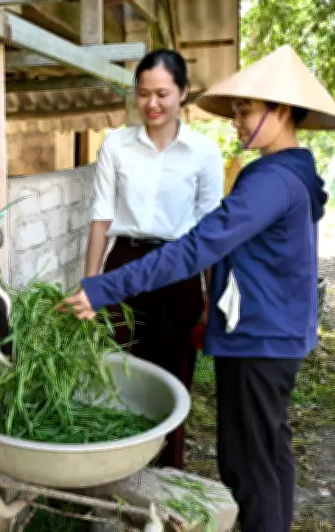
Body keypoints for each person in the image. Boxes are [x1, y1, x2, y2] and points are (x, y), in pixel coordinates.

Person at [61, 45, 335, 532]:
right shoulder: (293, 172)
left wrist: (106, 287)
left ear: (280, 111)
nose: (236, 121)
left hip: (260, 336)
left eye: (246, 110)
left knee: (246, 464)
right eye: (235, 109)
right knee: (269, 453)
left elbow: (197, 248)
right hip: (275, 332)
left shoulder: (271, 182)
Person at [83, 49, 224, 470]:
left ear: (183, 93)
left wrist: (209, 301)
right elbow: (100, 218)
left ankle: (167, 470)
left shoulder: (204, 151)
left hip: (180, 268)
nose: (152, 104)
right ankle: (119, 467)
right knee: (118, 369)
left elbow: (213, 231)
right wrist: (91, 287)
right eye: (143, 94)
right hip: (124, 263)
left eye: (162, 93)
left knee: (173, 373)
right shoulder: (116, 145)